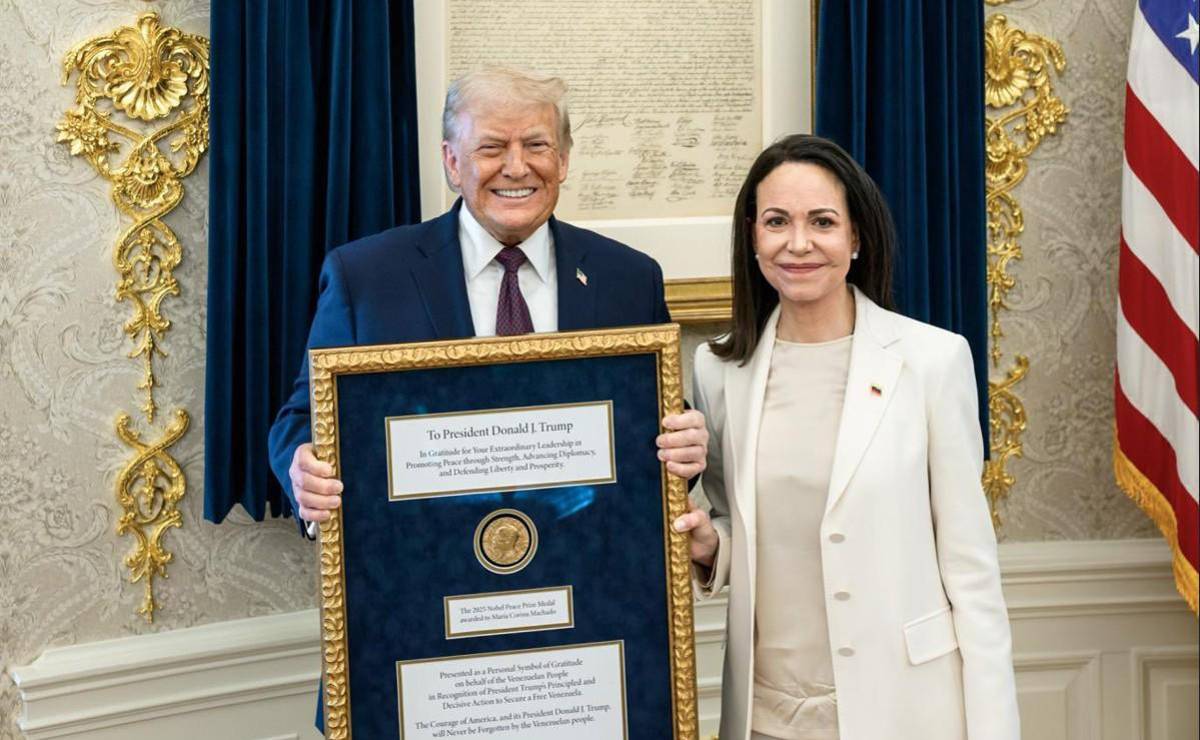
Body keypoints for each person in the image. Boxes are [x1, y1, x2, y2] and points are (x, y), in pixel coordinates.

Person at [672, 134, 1019, 740]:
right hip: (764, 714)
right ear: (752, 236)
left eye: (822, 222)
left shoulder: (932, 360)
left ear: (856, 238)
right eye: (777, 221)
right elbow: (740, 526)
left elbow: (971, 566)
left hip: (905, 709)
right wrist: (708, 545)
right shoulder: (718, 369)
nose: (798, 243)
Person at [268, 68, 708, 527]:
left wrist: (685, 445)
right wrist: (304, 469)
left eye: (536, 145)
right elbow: (303, 418)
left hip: (587, 563)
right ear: (453, 162)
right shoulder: (366, 278)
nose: (517, 167)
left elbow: (655, 423)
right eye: (492, 147)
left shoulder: (629, 278)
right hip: (423, 563)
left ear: (563, 160)